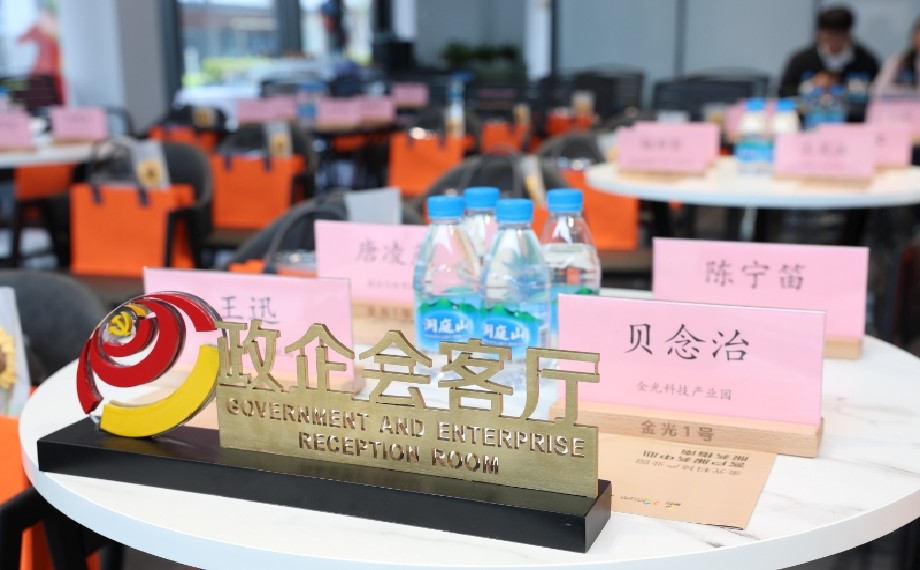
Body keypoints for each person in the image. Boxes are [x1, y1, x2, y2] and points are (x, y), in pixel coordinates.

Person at [778, 6, 880, 97]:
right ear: (819, 34)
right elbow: (783, 91)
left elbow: (880, 92)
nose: (834, 39)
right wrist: (810, 86)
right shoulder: (801, 61)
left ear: (849, 34)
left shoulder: (866, 61)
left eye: (840, 34)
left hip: (854, 112)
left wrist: (848, 87)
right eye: (830, 34)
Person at [873, 17, 920, 97]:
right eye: (917, 33)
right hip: (901, 103)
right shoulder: (899, 61)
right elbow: (879, 89)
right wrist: (903, 91)